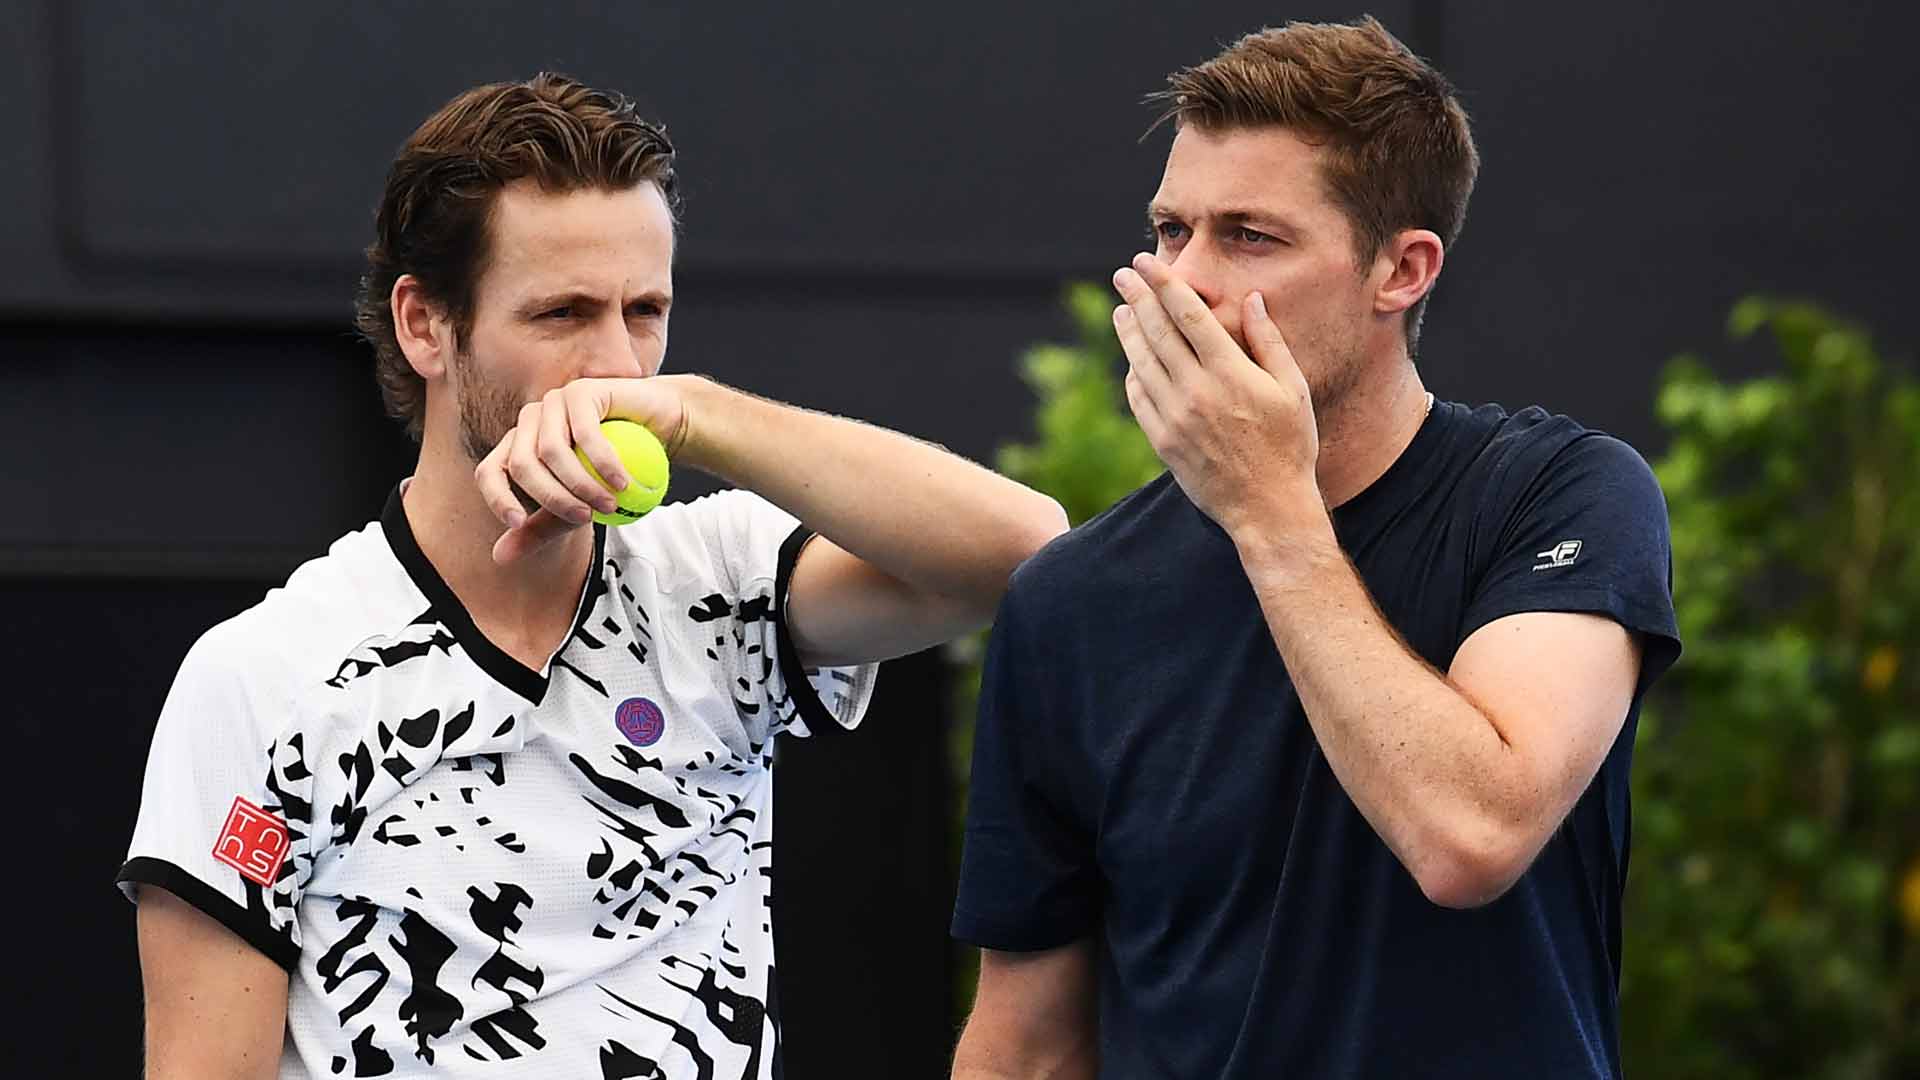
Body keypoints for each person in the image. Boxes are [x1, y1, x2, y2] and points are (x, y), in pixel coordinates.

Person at [117, 73, 1066, 1079]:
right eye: (563, 314)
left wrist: (699, 414)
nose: (616, 367)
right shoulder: (267, 678)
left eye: (645, 310)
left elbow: (1025, 554)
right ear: (424, 325)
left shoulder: (724, 574)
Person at [951, 17, 1680, 1079]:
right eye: (1169, 231)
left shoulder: (1556, 494)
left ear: (1402, 270)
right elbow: (1026, 1047)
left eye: (1250, 237)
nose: (1183, 281)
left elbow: (1471, 834)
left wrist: (1269, 511)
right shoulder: (1073, 598)